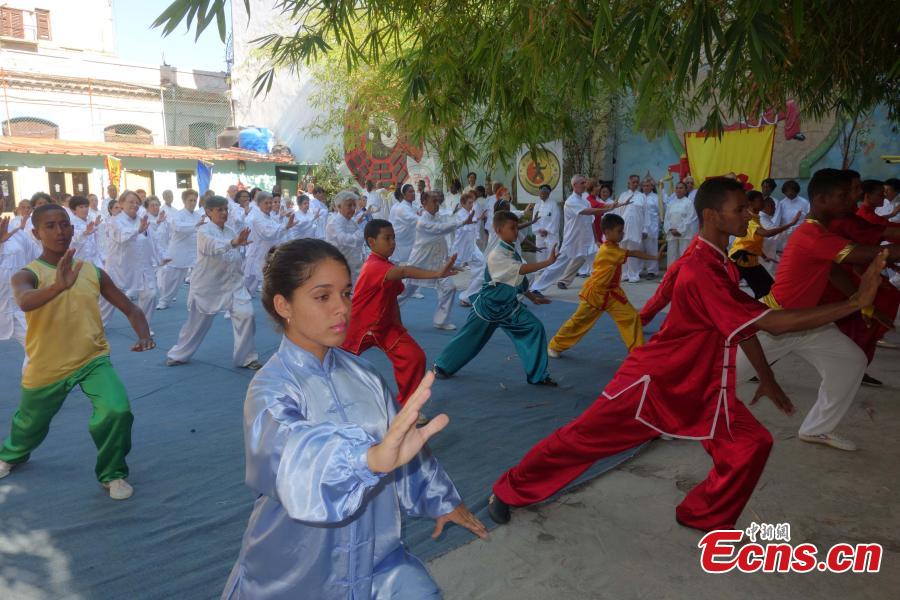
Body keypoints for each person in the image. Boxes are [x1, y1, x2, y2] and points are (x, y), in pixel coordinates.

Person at [487, 177, 888, 530]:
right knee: (582, 440)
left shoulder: (718, 263)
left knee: (751, 445)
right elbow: (769, 321)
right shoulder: (701, 268)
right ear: (712, 215)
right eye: (739, 208)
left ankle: (703, 514)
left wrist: (766, 378)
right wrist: (855, 301)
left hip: (700, 386)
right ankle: (508, 489)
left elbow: (740, 325)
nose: (748, 213)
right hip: (655, 382)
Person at [221, 238, 485, 599]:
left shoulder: (364, 374)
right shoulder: (270, 389)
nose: (342, 309)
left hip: (377, 555)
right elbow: (290, 455)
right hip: (297, 567)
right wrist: (366, 459)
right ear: (284, 305)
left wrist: (441, 499)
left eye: (346, 293)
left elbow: (402, 449)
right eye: (322, 296)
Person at [0, 203, 156, 499]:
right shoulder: (27, 274)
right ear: (36, 233)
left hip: (92, 358)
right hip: (47, 363)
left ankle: (113, 473)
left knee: (117, 410)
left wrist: (144, 334)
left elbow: (131, 308)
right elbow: (25, 301)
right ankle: (13, 453)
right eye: (50, 226)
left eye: (65, 224)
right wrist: (57, 287)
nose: (60, 231)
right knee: (30, 422)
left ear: (73, 228)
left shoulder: (91, 272)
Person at [737, 168, 900, 449]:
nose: (853, 198)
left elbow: (832, 270)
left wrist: (866, 306)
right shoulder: (813, 235)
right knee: (719, 375)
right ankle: (665, 418)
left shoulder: (822, 234)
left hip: (810, 322)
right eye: (845, 194)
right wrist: (861, 298)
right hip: (777, 323)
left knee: (851, 362)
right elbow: (874, 253)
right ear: (823, 199)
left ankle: (816, 429)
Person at [433, 210, 560, 386]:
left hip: (509, 307)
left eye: (517, 227)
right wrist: (548, 262)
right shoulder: (497, 255)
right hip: (488, 307)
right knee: (469, 338)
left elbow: (516, 279)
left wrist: (532, 297)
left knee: (534, 327)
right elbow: (521, 270)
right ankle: (442, 365)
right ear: (498, 230)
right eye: (512, 228)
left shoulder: (511, 251)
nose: (516, 231)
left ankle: (538, 375)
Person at [343, 219, 460, 407]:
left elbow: (392, 300)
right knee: (334, 363)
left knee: (414, 357)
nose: (393, 242)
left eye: (394, 238)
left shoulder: (386, 265)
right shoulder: (373, 266)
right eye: (387, 238)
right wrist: (437, 273)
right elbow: (404, 271)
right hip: (358, 327)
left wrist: (398, 326)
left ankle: (410, 406)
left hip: (385, 327)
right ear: (371, 242)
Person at [166, 196, 260, 370]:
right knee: (197, 325)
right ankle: (179, 354)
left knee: (246, 314)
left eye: (225, 209)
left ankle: (246, 358)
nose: (224, 213)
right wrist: (233, 243)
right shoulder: (203, 231)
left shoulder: (231, 231)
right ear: (208, 212)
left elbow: (234, 254)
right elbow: (212, 247)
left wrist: (236, 247)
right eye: (219, 210)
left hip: (233, 284)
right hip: (208, 286)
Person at [548, 213, 657, 357]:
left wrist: (654, 258)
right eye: (619, 231)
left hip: (612, 294)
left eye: (622, 230)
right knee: (578, 322)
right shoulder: (609, 250)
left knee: (631, 317)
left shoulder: (613, 247)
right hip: (595, 294)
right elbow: (632, 253)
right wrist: (654, 257)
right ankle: (555, 345)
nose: (622, 234)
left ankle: (638, 354)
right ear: (607, 232)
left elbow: (630, 253)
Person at [530, 175, 620, 294]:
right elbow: (587, 212)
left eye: (585, 183)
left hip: (587, 242)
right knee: (557, 267)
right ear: (574, 185)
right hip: (572, 241)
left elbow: (591, 221)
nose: (584, 185)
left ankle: (604, 288)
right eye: (582, 183)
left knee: (600, 262)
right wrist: (608, 209)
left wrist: (595, 239)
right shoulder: (570, 201)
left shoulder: (585, 201)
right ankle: (536, 288)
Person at [398, 191, 475, 329]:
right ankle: (386, 315)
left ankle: (441, 321)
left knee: (449, 287)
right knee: (404, 293)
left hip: (437, 264)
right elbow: (441, 229)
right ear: (424, 203)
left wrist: (448, 262)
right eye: (434, 201)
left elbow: (447, 227)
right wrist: (463, 222)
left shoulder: (438, 217)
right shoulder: (423, 222)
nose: (437, 204)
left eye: (438, 201)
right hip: (419, 263)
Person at [728, 190, 800, 299]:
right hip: (741, 260)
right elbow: (766, 234)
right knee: (763, 290)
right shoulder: (749, 218)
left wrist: (763, 255)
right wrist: (791, 224)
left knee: (766, 288)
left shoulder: (756, 218)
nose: (763, 202)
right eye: (760, 200)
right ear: (750, 203)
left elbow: (753, 241)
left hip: (749, 261)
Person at [103, 191, 160, 328]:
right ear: (121, 203)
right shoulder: (114, 221)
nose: (134, 205)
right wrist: (138, 230)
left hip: (142, 266)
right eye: (131, 202)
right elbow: (121, 237)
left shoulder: (143, 220)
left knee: (150, 294)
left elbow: (152, 241)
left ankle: (143, 325)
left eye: (137, 202)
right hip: (120, 267)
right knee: (109, 300)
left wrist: (161, 257)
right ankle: (99, 325)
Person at [156, 190, 200, 310]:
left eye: (195, 200)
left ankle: (193, 303)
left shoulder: (198, 216)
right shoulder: (177, 215)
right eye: (190, 200)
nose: (193, 203)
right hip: (179, 251)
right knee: (174, 280)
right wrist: (196, 225)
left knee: (198, 278)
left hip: (195, 251)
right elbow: (179, 227)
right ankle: (164, 300)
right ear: (184, 201)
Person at [244, 191, 294, 296]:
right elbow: (267, 233)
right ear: (259, 204)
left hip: (264, 255)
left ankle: (240, 307)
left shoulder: (266, 215)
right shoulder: (256, 217)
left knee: (254, 285)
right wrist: (285, 227)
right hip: (256, 255)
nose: (270, 205)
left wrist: (282, 222)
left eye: (271, 203)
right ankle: (232, 310)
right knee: (246, 285)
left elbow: (274, 227)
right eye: (266, 203)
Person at [453, 192, 487, 307]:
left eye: (472, 202)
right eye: (469, 203)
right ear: (462, 203)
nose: (472, 205)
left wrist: (477, 219)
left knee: (482, 268)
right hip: (461, 249)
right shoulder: (459, 215)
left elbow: (473, 226)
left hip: (472, 248)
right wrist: (477, 218)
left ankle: (468, 297)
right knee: (445, 276)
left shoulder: (470, 213)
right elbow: (465, 224)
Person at [325, 190, 367, 280]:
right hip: (340, 265)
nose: (353, 209)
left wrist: (363, 256)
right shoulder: (334, 222)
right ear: (339, 207)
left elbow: (360, 244)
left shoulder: (352, 221)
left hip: (355, 265)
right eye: (349, 205)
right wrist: (363, 233)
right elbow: (345, 240)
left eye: (354, 205)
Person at [617, 174, 647, 282]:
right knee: (622, 252)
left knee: (633, 251)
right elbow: (618, 212)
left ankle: (633, 275)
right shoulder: (623, 195)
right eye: (633, 182)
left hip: (636, 228)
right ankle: (624, 274)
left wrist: (645, 229)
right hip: (623, 228)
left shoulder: (642, 196)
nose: (635, 184)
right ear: (629, 183)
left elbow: (645, 214)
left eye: (637, 182)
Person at [663, 181, 698, 268]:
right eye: (677, 188)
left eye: (681, 188)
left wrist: (679, 230)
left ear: (686, 190)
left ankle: (684, 276)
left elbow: (690, 218)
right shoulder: (671, 203)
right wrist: (671, 229)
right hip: (672, 234)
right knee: (671, 255)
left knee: (684, 255)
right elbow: (666, 218)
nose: (678, 190)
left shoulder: (689, 203)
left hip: (684, 234)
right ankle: (671, 276)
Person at [69, 196, 103, 268]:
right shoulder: (71, 224)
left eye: (86, 206)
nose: (85, 209)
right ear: (73, 210)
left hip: (95, 261)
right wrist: (84, 233)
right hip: (80, 262)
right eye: (81, 207)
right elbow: (73, 241)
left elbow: (95, 242)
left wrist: (96, 226)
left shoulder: (90, 221)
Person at [388, 183, 419, 264]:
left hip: (409, 240)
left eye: (413, 191)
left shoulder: (412, 206)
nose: (413, 193)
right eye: (410, 192)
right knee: (400, 265)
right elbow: (415, 219)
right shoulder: (401, 208)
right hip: (401, 241)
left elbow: (419, 212)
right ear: (403, 195)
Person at [640, 177, 661, 279]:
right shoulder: (639, 197)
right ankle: (638, 270)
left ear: (652, 187)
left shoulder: (656, 198)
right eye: (644, 186)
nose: (645, 187)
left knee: (651, 249)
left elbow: (660, 212)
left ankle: (652, 271)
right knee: (639, 248)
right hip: (640, 227)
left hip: (652, 228)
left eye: (648, 185)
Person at [533, 184, 561, 257]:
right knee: (540, 255)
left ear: (548, 193)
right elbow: (534, 220)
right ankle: (541, 269)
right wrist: (539, 230)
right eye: (540, 192)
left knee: (552, 256)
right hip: (539, 235)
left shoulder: (554, 204)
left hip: (551, 235)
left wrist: (546, 230)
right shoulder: (537, 205)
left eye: (543, 192)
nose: (541, 194)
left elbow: (555, 220)